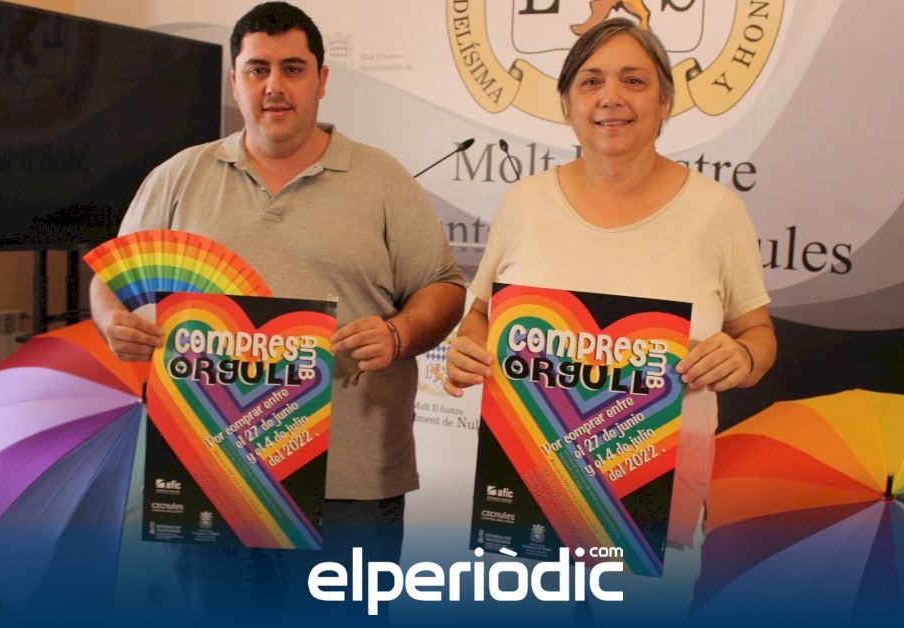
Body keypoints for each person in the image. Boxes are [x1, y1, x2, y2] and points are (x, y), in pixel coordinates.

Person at [89, 1, 466, 620]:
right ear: (234, 80)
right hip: (211, 466)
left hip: (350, 482)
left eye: (293, 68)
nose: (274, 86)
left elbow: (443, 287)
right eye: (257, 69)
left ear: (321, 80)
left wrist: (398, 334)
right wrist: (112, 321)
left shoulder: (381, 178)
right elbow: (113, 278)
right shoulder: (180, 176)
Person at [444, 17, 776, 622]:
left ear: (665, 102)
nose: (611, 97)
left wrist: (744, 355)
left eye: (634, 81)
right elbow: (481, 317)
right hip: (531, 493)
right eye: (591, 81)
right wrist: (467, 349)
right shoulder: (524, 203)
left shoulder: (716, 212)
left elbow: (758, 336)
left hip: (654, 509)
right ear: (567, 103)